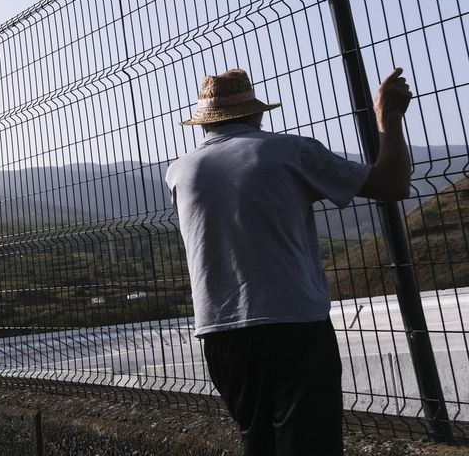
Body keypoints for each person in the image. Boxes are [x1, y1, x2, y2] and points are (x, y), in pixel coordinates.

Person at [165, 68, 412, 455]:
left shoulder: (180, 171)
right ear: (256, 114)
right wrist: (388, 116)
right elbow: (392, 184)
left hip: (220, 331)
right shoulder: (291, 151)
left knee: (258, 442)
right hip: (294, 323)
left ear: (204, 122)